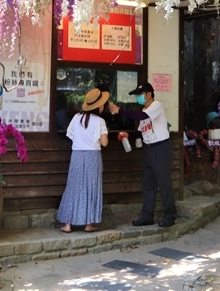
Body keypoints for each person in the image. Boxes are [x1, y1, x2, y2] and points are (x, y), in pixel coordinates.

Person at [110, 82, 177, 228]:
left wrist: (119, 110)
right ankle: (147, 216)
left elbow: (141, 116)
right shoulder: (145, 109)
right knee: (148, 184)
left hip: (160, 147)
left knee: (164, 182)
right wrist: (129, 134)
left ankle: (170, 215)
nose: (138, 98)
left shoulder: (156, 106)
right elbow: (141, 131)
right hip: (148, 149)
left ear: (148, 94)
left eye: (139, 95)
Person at [56, 87, 110, 233]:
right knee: (91, 188)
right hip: (93, 156)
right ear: (99, 106)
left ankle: (67, 224)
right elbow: (104, 142)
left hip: (77, 156)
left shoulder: (76, 118)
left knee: (74, 187)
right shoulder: (100, 121)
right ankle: (88, 224)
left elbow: (71, 135)